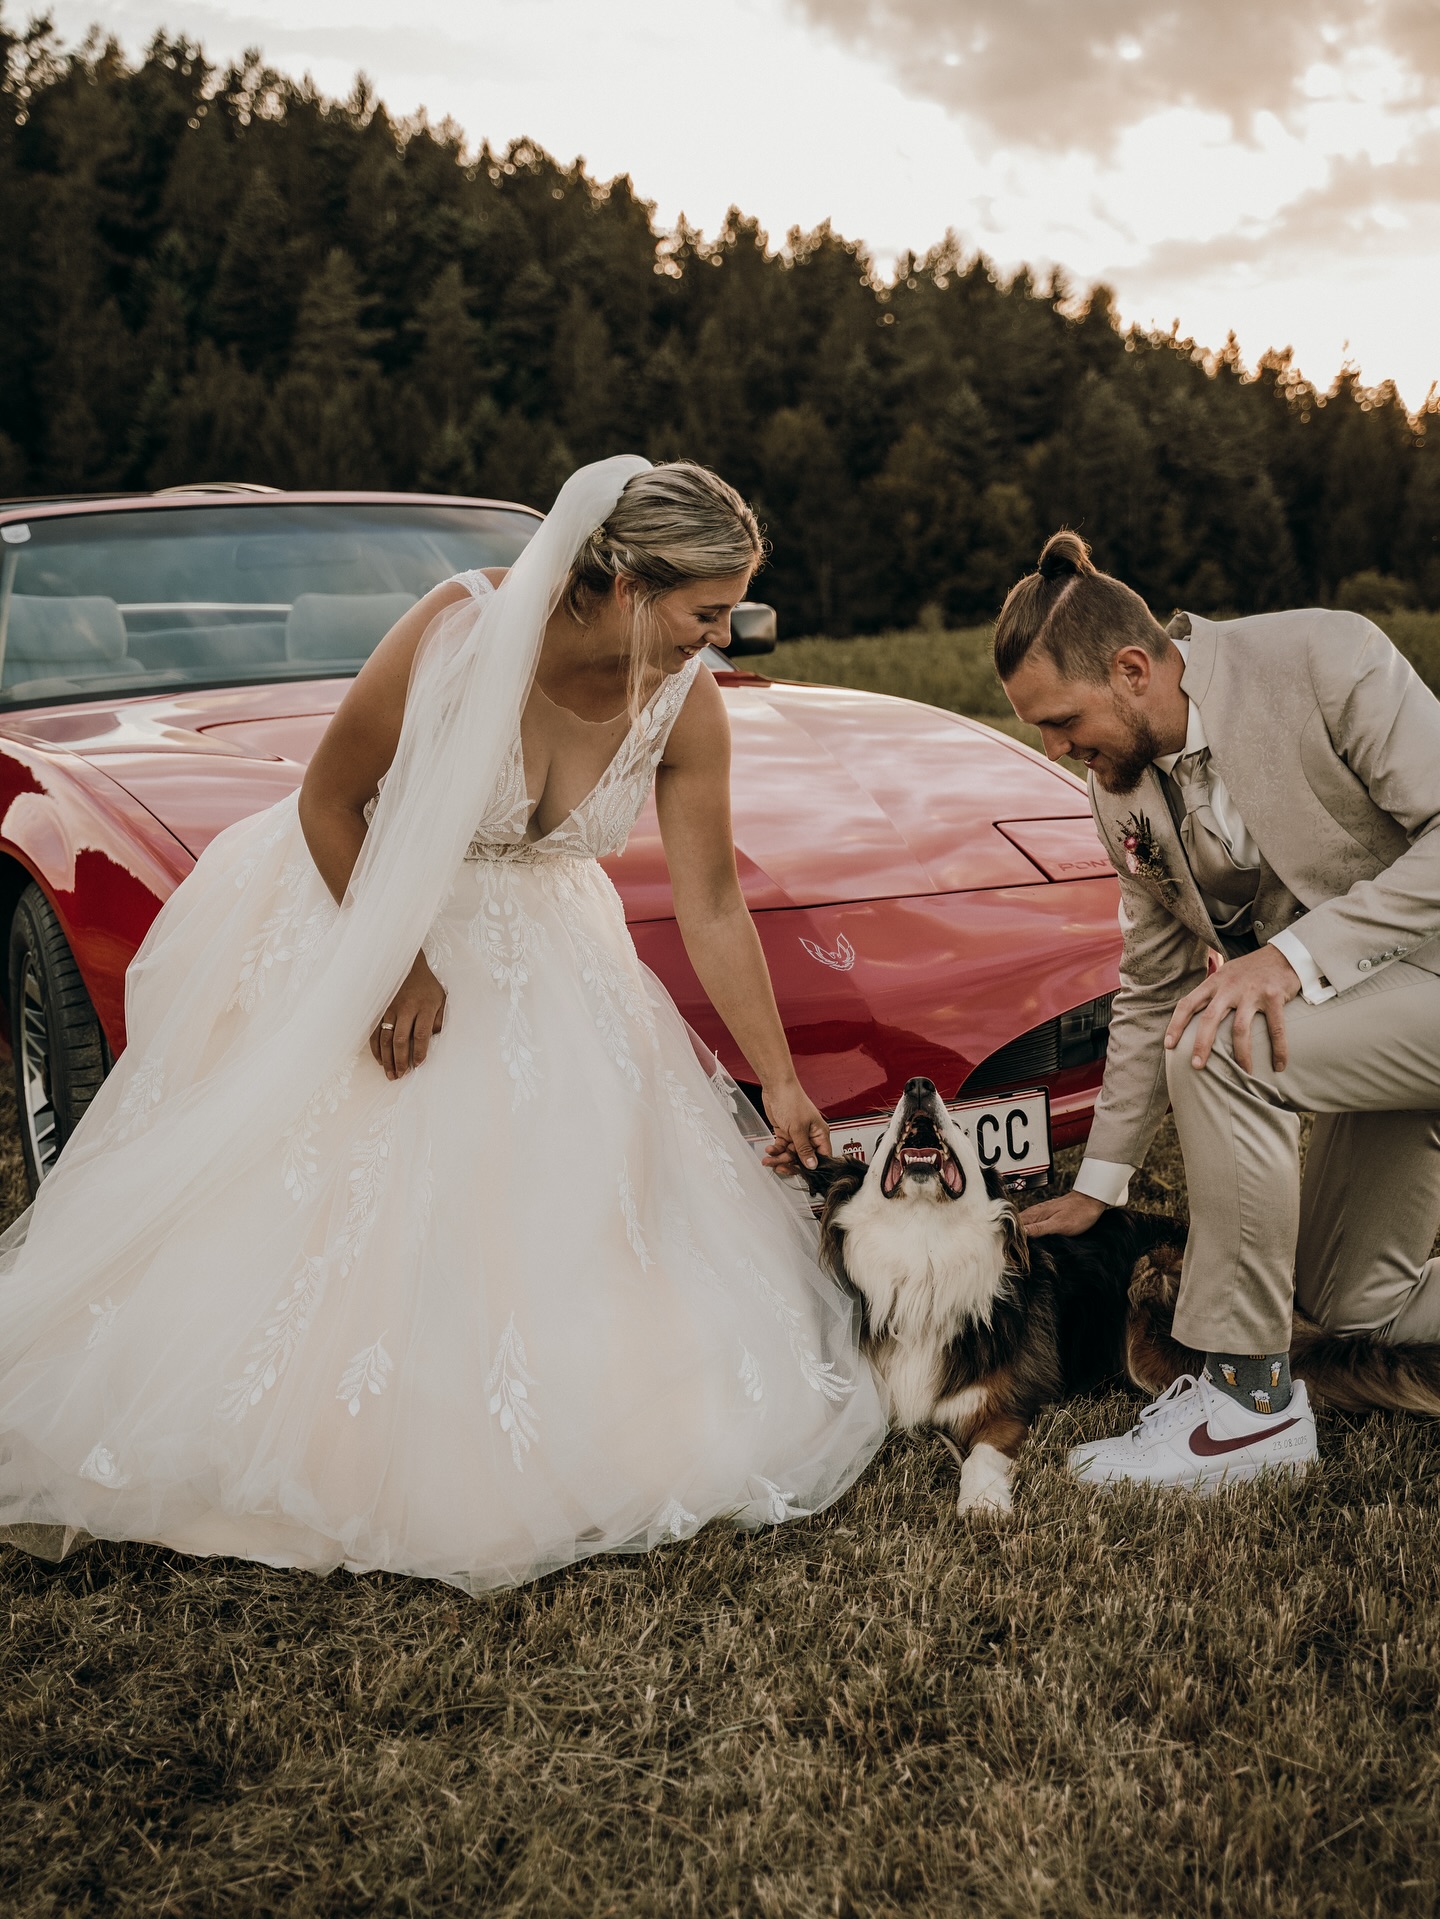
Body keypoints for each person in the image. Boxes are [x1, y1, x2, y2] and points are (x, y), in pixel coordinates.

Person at [0, 456, 886, 1590]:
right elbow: (331, 799)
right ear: (623, 583)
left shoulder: (685, 703)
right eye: (701, 613)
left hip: (556, 945)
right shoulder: (463, 633)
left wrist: (782, 1079)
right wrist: (394, 964)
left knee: (584, 1187)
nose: (711, 640)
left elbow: (713, 901)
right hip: (376, 908)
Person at [999, 531, 1440, 1492]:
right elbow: (1151, 981)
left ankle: (1246, 1407)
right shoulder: (1119, 792)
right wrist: (1102, 1181)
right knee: (1348, 1307)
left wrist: (1288, 959)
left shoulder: (1328, 658)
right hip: (1376, 1023)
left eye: (1063, 721)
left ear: (1131, 668)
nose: (1057, 749)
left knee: (1221, 1042)